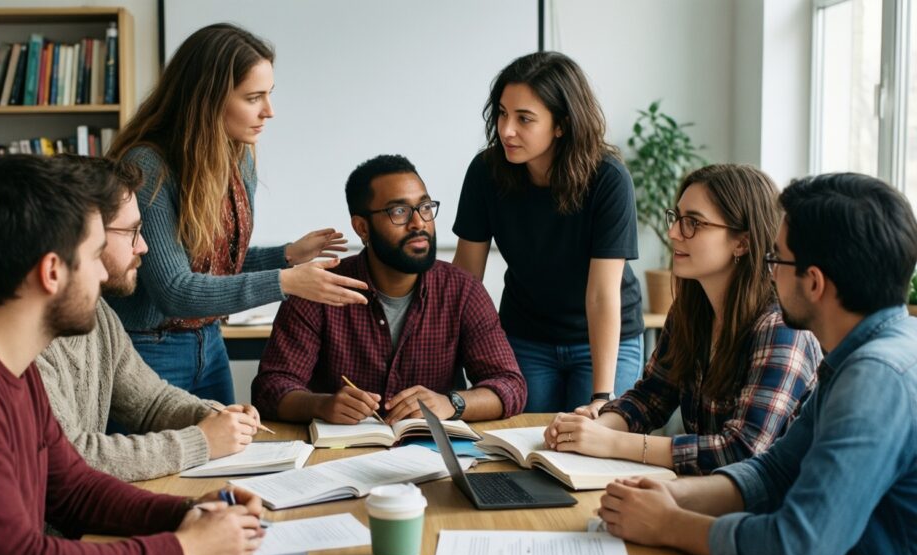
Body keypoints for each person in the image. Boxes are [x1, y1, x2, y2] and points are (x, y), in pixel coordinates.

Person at [0, 155, 264, 555]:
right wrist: (186, 551)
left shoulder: (13, 361)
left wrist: (189, 513)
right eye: (94, 255)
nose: (103, 276)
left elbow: (74, 488)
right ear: (52, 272)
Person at [598, 173, 917, 555]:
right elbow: (774, 470)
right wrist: (671, 496)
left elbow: (797, 550)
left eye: (776, 259)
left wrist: (668, 523)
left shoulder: (875, 380)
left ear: (814, 282)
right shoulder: (859, 355)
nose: (768, 271)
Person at [106, 23, 368, 404]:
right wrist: (286, 280)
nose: (269, 111)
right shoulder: (149, 167)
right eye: (253, 97)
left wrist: (286, 255)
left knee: (227, 460)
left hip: (210, 344)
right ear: (207, 98)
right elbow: (176, 291)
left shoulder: (237, 156)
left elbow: (214, 266)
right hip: (148, 350)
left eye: (269, 94)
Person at [544, 164, 821, 475]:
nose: (674, 232)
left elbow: (741, 449)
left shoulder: (781, 327)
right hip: (709, 493)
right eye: (676, 218)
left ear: (742, 242)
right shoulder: (691, 310)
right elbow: (653, 395)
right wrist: (590, 428)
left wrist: (610, 443)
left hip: (765, 510)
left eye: (693, 223)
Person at [252, 155, 527, 423]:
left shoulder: (463, 290)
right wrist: (321, 405)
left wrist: (451, 403)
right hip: (340, 457)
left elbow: (510, 385)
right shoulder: (319, 288)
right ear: (362, 228)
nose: (419, 223)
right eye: (399, 212)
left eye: (425, 207)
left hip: (431, 456)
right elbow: (270, 387)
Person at [36, 156, 262, 482]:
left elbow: (151, 402)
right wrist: (201, 441)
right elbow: (73, 458)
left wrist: (212, 416)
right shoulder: (25, 340)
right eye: (132, 231)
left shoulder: (99, 313)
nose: (143, 246)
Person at [452, 51, 643, 414]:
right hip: (526, 336)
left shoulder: (608, 180)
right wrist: (456, 364)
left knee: (592, 446)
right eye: (503, 113)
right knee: (519, 445)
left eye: (524, 119)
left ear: (561, 124)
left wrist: (601, 398)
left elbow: (602, 295)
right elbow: (466, 277)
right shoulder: (486, 172)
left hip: (599, 339)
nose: (507, 129)